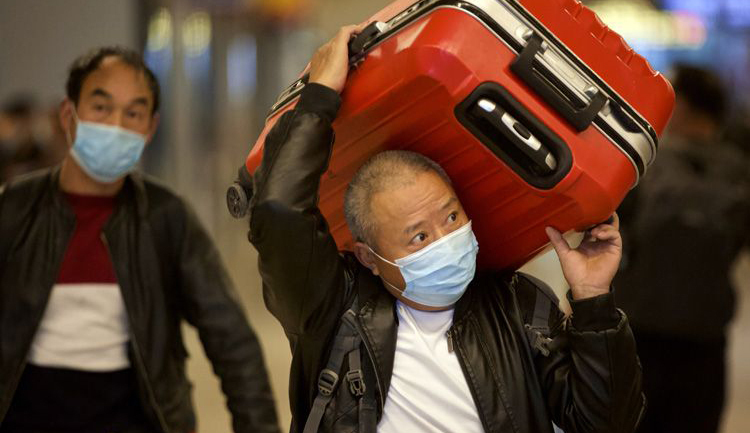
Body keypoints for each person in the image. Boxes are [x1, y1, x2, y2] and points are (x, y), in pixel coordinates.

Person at [247, 25, 644, 433]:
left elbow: (608, 424)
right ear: (368, 257)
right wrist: (319, 97)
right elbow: (279, 213)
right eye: (419, 237)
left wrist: (593, 301)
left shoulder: (519, 306)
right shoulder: (334, 311)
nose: (446, 241)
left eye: (452, 217)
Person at [0, 46, 280, 433]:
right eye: (101, 107)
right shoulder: (14, 209)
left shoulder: (166, 217)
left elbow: (231, 340)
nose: (116, 125)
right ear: (68, 115)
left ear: (150, 129)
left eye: (133, 113)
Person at [615, 64, 750, 433]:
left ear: (684, 107)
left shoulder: (645, 164)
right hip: (705, 338)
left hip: (640, 332)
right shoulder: (740, 170)